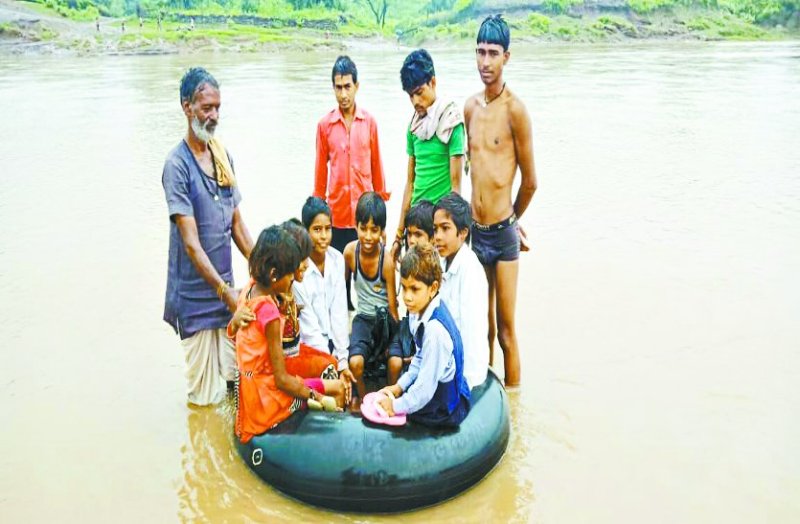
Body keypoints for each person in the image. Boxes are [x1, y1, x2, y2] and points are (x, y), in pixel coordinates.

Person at [162, 67, 253, 406]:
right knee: (203, 398)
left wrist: (265, 268)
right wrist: (225, 293)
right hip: (196, 299)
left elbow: (237, 224)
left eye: (217, 108)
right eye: (206, 108)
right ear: (187, 107)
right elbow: (191, 243)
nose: (213, 116)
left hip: (227, 292)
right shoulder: (177, 166)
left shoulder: (222, 156)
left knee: (236, 383)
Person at [464, 16, 537, 388]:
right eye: (480, 52)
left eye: (493, 53)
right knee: (481, 327)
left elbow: (531, 182)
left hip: (504, 236)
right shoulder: (469, 108)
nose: (485, 61)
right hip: (475, 234)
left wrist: (512, 218)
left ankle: (514, 403)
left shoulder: (515, 111)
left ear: (507, 57)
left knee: (506, 330)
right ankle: (484, 396)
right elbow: (471, 169)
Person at [234, 226, 345, 444]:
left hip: (248, 390)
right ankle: (334, 442)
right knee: (337, 388)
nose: (292, 279)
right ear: (274, 275)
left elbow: (238, 336)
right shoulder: (269, 314)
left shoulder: (249, 289)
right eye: (290, 275)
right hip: (266, 398)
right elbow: (281, 380)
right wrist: (316, 396)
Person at [314, 56, 388, 309]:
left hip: (364, 217)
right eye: (338, 87)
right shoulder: (324, 125)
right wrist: (317, 215)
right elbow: (320, 174)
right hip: (336, 214)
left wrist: (381, 218)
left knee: (368, 275)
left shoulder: (369, 123)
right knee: (337, 280)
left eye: (348, 86)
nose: (343, 94)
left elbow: (377, 167)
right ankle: (342, 319)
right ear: (333, 88)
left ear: (357, 86)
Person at [376, 244, 471, 428]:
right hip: (434, 386)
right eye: (404, 288)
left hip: (445, 406)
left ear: (433, 288)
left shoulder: (435, 331)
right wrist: (400, 386)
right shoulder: (418, 309)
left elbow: (425, 391)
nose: (407, 297)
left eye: (414, 289)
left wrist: (394, 407)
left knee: (400, 420)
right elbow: (420, 356)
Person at [392, 49, 465, 262]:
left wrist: (450, 234)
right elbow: (410, 183)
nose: (415, 101)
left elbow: (456, 188)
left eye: (419, 92)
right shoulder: (413, 127)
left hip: (438, 226)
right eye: (410, 95)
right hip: (415, 225)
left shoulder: (451, 122)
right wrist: (399, 236)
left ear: (433, 82)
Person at [344, 192, 398, 409]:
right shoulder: (350, 253)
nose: (368, 236)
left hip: (384, 320)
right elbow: (342, 294)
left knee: (395, 362)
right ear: (355, 226)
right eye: (363, 228)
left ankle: (390, 399)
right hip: (363, 318)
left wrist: (397, 338)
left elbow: (393, 307)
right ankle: (364, 398)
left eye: (374, 230)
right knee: (355, 362)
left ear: (382, 231)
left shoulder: (386, 260)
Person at [292, 198, 354, 384]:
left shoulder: (337, 259)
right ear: (305, 231)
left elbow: (339, 312)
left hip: (333, 343)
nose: (324, 236)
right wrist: (331, 364)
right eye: (317, 230)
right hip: (309, 346)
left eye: (328, 228)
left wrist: (342, 360)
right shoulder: (299, 270)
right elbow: (309, 327)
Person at [433, 192, 489, 390]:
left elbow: (471, 332)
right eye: (435, 229)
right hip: (445, 363)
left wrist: (465, 381)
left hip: (464, 374)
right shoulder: (442, 262)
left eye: (445, 228)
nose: (438, 236)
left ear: (463, 233)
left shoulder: (470, 271)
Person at [386, 199, 436, 382]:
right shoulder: (408, 262)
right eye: (410, 234)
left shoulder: (436, 270)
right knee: (394, 362)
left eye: (418, 234)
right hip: (409, 326)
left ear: (432, 238)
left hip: (427, 333)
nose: (412, 240)